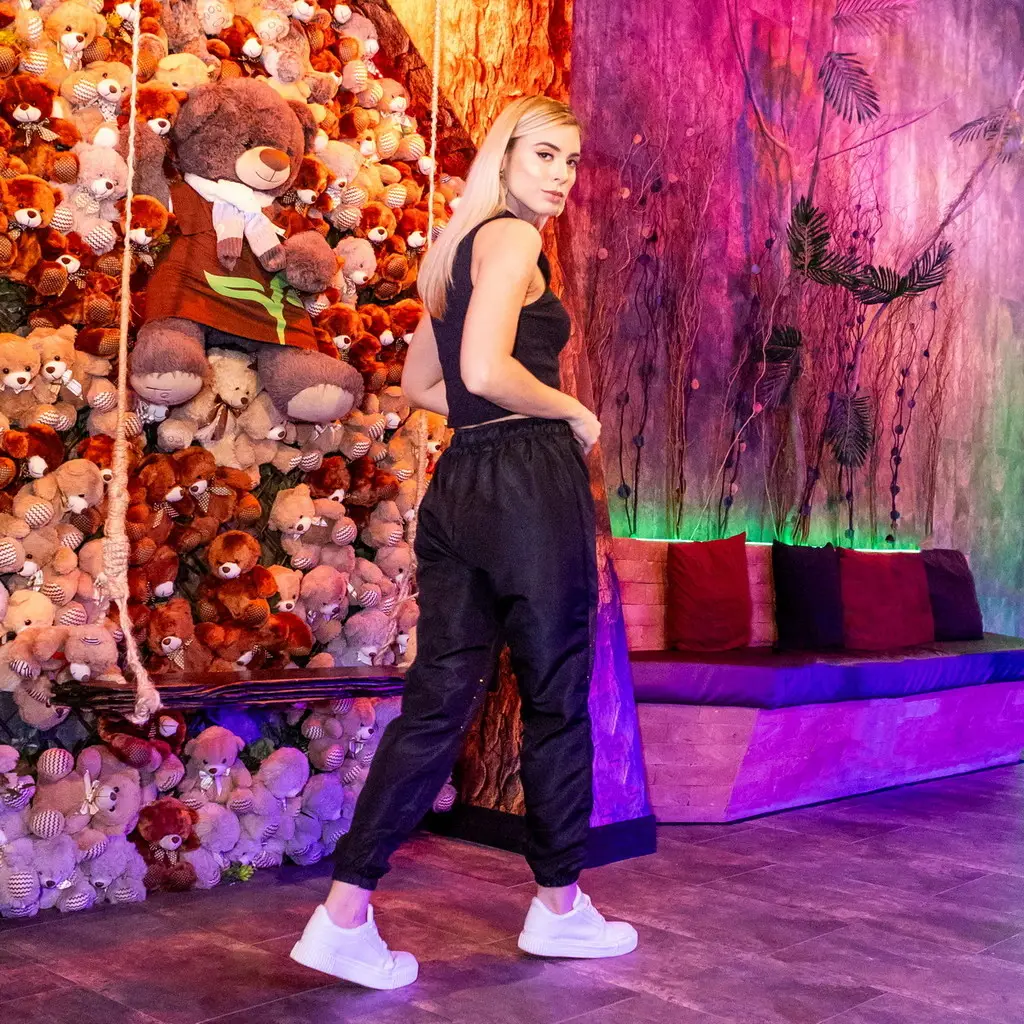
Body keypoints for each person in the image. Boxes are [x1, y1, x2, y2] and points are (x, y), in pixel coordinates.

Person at [289, 95, 638, 990]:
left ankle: (343, 914)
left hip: (463, 481)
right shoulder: (514, 238)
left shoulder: (455, 249)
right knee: (556, 696)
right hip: (528, 481)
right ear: (505, 155)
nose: (561, 176)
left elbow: (424, 383)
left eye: (571, 161)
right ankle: (559, 906)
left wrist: (490, 411)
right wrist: (569, 410)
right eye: (545, 155)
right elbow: (483, 369)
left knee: (439, 701)